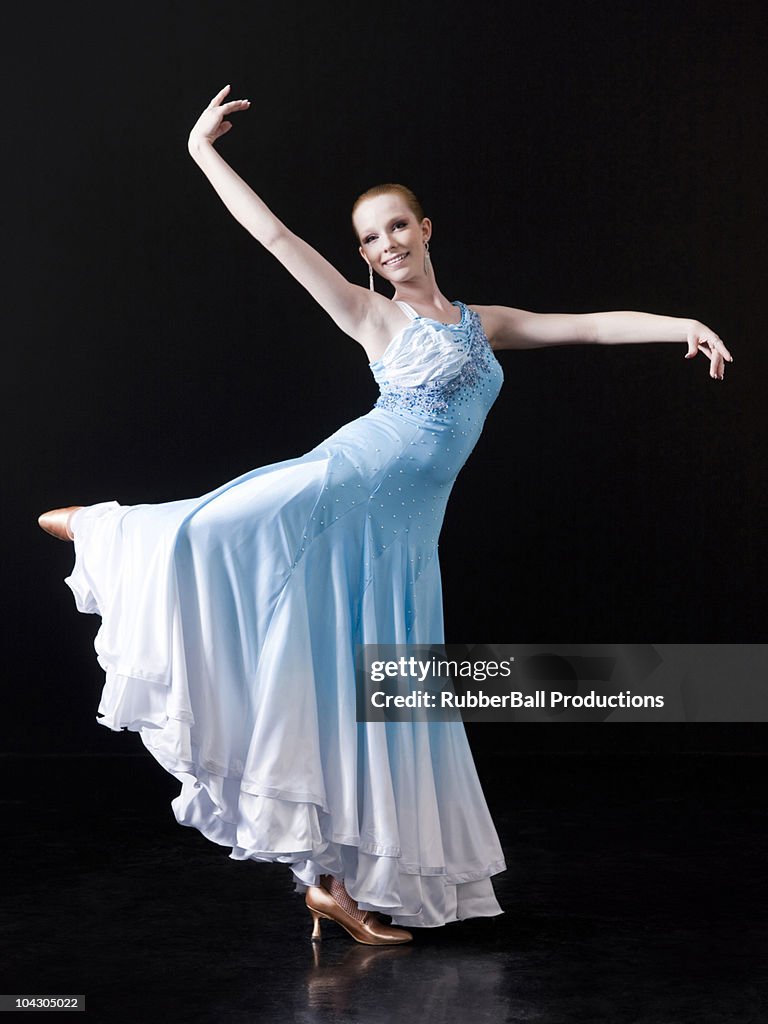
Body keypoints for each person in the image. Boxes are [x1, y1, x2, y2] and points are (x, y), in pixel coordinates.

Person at [38, 85, 733, 947]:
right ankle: (108, 530)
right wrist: (202, 150)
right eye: (371, 237)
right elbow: (274, 237)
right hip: (344, 486)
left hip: (402, 542)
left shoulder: (485, 325)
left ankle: (331, 884)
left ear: (425, 229)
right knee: (221, 530)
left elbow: (587, 328)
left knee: (362, 695)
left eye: (397, 226)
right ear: (364, 257)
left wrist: (682, 325)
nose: (387, 243)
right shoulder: (375, 317)